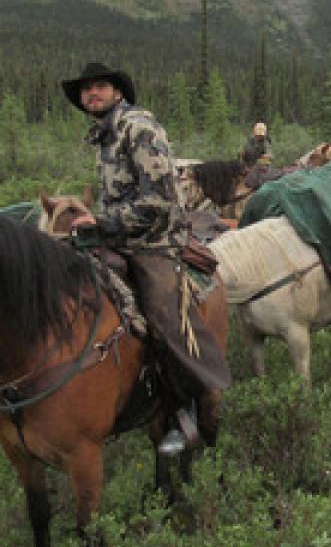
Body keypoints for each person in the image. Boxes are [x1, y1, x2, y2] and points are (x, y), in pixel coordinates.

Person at [62, 61, 232, 456]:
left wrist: (101, 224)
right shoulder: (105, 135)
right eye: (86, 90)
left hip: (153, 243)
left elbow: (157, 201)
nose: (92, 94)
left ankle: (182, 409)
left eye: (100, 87)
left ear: (118, 93)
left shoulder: (139, 127)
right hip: (116, 237)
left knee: (163, 319)